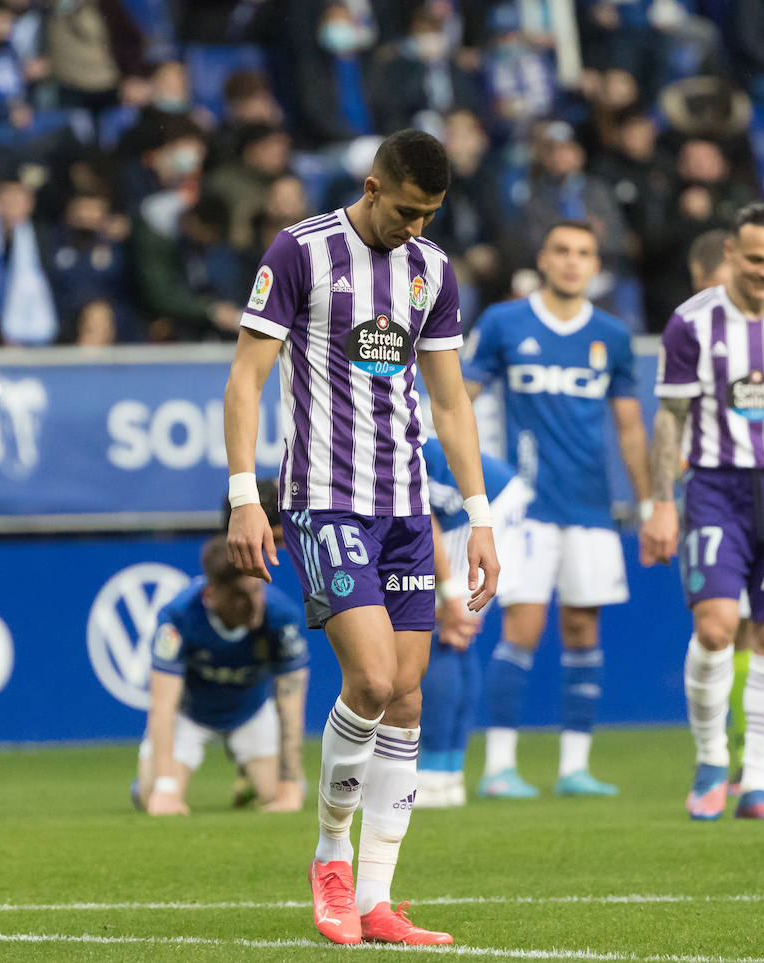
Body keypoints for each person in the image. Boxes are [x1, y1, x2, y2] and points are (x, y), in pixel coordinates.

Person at [223, 129, 499, 947]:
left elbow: (450, 404)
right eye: (408, 211)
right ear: (373, 186)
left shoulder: (434, 272)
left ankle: (377, 897)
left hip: (408, 508)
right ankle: (330, 860)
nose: (418, 227)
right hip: (324, 502)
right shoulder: (301, 250)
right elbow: (246, 379)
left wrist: (478, 518)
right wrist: (246, 497)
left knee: (408, 691)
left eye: (431, 215)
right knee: (372, 678)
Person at [642, 202, 764, 823]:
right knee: (716, 627)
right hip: (714, 488)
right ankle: (713, 760)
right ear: (731, 256)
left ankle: (759, 783)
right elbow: (670, 417)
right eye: (755, 259)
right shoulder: (691, 323)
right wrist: (661, 501)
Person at [462, 219, 652, 800]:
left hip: (592, 503)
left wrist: (647, 502)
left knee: (582, 626)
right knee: (522, 625)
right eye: (563, 251)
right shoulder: (504, 322)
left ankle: (574, 767)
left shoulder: (612, 336)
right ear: (543, 259)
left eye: (585, 254)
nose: (573, 262)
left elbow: (628, 423)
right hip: (525, 505)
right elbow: (458, 399)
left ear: (597, 266)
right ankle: (498, 766)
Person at [134, 536, 310, 816]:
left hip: (249, 711)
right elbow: (163, 705)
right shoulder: (179, 617)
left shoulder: (280, 615)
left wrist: (289, 783)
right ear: (212, 596)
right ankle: (151, 779)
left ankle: (248, 774)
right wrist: (165, 788)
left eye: (257, 590)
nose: (255, 604)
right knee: (151, 799)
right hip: (191, 714)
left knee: (285, 796)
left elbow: (290, 700)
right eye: (241, 595)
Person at [416, 436, 532, 809]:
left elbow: (422, 520)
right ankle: (448, 774)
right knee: (455, 637)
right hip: (496, 497)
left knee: (441, 632)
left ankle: (434, 776)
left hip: (474, 510)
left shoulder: (375, 442)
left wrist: (448, 591)